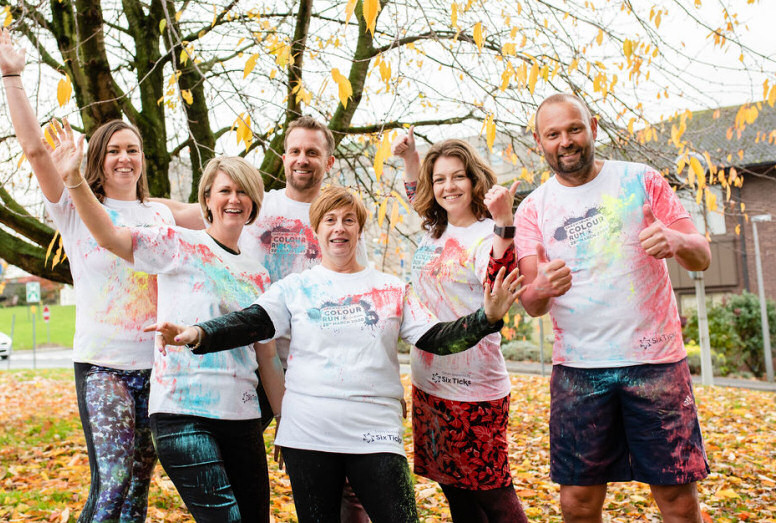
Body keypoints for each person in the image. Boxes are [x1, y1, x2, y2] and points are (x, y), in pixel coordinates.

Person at [148, 187, 526, 523]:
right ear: (316, 230)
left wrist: (486, 318)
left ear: (359, 229)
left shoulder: (391, 289)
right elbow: (250, 323)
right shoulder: (295, 288)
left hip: (376, 435)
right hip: (308, 435)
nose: (339, 228)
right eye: (329, 220)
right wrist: (197, 333)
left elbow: (438, 339)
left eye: (348, 220)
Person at [47, 122, 284, 522]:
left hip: (240, 415)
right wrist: (73, 180)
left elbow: (268, 358)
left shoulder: (259, 276)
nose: (234, 199)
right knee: (120, 490)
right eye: (224, 191)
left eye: (243, 191)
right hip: (181, 409)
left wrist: (286, 422)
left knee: (241, 515)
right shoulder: (177, 242)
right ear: (206, 200)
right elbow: (109, 236)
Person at [0, 26, 173, 522]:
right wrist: (12, 75)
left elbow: (225, 212)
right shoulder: (75, 206)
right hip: (103, 366)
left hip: (158, 369)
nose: (124, 157)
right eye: (113, 150)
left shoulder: (160, 214)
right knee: (112, 484)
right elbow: (34, 150)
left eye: (132, 149)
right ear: (97, 158)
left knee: (137, 491)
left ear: (142, 158)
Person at [158, 115, 369, 521]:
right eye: (295, 151)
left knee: (339, 476)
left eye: (312, 152)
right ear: (284, 157)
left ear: (329, 161)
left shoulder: (338, 217)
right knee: (229, 462)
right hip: (257, 364)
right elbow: (181, 212)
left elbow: (357, 292)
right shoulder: (257, 204)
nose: (302, 159)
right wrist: (119, 199)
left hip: (316, 366)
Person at [514, 93, 711, 522]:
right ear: (538, 141)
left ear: (593, 127)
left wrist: (676, 240)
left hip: (656, 363)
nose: (565, 141)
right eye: (553, 134)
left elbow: (701, 256)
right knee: (577, 503)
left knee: (677, 498)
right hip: (578, 371)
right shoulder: (532, 209)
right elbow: (531, 304)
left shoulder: (641, 180)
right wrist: (541, 287)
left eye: (574, 129)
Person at [392, 131, 528, 522]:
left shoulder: (486, 233)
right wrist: (411, 159)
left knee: (493, 493)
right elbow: (419, 193)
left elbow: (498, 284)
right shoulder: (434, 227)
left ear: (474, 180)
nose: (448, 187)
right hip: (428, 385)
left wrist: (504, 221)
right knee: (455, 491)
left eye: (458, 177)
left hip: (474, 389)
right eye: (440, 179)